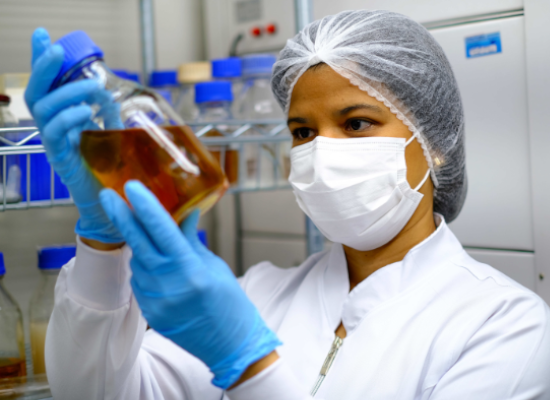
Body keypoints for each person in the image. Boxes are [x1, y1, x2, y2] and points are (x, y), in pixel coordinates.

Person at [25, 10, 550, 400]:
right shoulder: (259, 293)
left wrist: (249, 363)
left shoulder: (505, 328)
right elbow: (99, 394)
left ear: (434, 141)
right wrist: (102, 243)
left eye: (357, 122)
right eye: (302, 131)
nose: (322, 152)